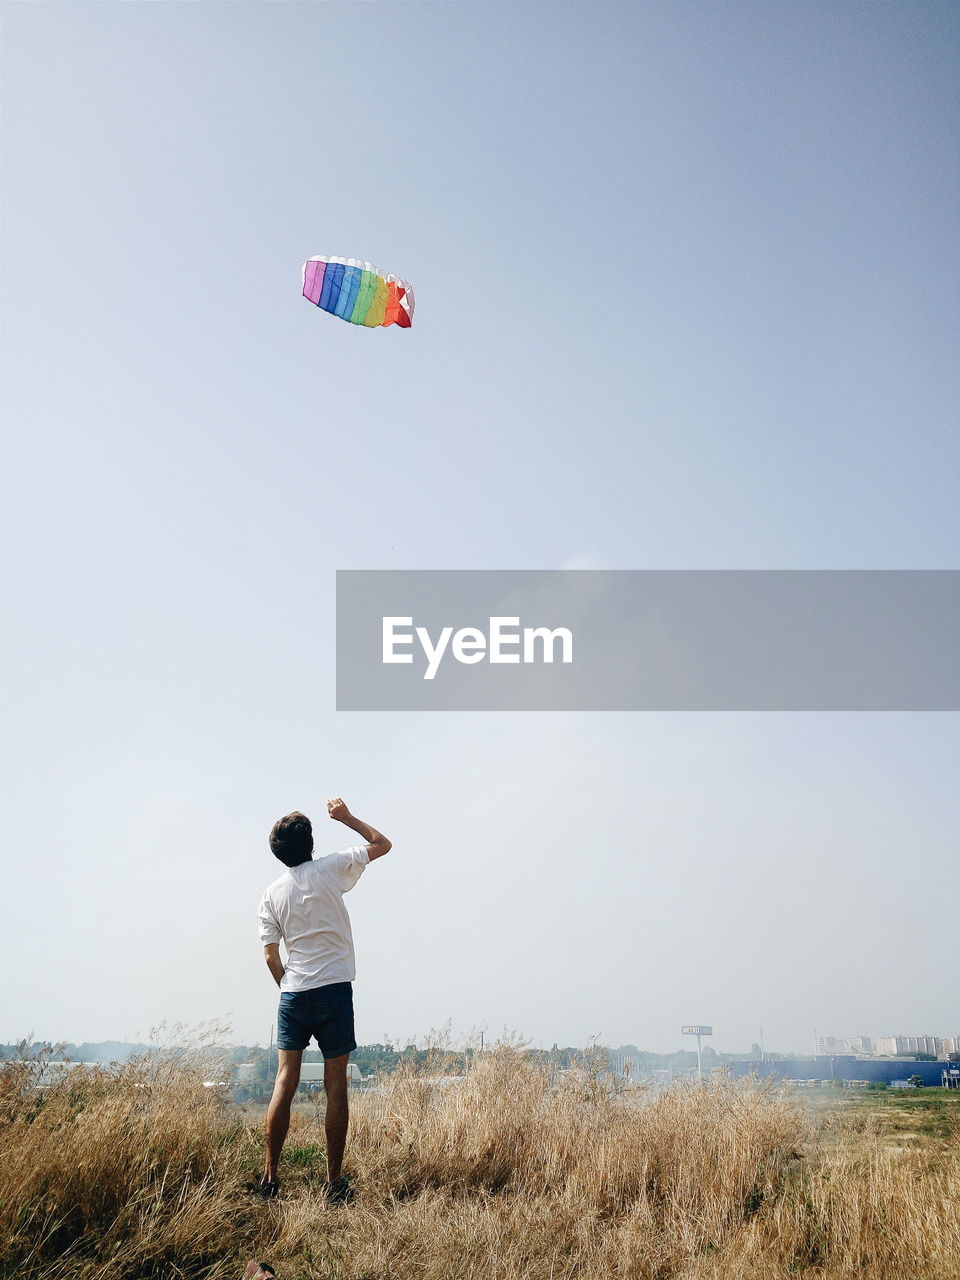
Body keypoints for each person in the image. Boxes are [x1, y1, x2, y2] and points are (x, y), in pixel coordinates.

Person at [251, 797, 391, 1204]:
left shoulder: (271, 893)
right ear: (311, 842)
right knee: (335, 1087)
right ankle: (333, 1182)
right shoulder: (330, 867)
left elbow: (270, 955)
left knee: (284, 1082)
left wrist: (288, 988)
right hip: (333, 989)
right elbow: (382, 844)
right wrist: (346, 818)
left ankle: (271, 1178)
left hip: (293, 993)